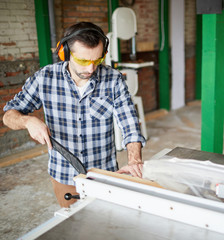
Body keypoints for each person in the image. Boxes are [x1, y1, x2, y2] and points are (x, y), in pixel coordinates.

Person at [3, 22, 146, 207]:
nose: (91, 69)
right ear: (65, 53)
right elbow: (8, 115)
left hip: (105, 174)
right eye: (84, 61)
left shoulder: (113, 79)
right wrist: (27, 121)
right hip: (64, 175)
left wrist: (135, 160)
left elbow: (129, 123)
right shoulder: (45, 78)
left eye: (98, 60)